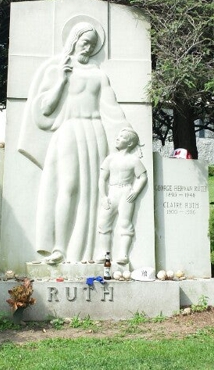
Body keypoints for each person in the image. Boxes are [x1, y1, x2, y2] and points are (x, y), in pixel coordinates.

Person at [18, 21, 129, 264]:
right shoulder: (57, 70)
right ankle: (59, 247)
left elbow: (111, 110)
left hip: (94, 133)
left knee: (94, 191)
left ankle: (92, 250)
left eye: (92, 45)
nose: (88, 49)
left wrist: (127, 133)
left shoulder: (100, 75)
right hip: (68, 131)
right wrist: (62, 80)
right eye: (84, 42)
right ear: (74, 41)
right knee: (67, 187)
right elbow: (46, 109)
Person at [96, 128, 147, 265]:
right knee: (103, 222)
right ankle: (105, 253)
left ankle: (123, 254)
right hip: (112, 192)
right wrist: (103, 196)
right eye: (118, 136)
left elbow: (142, 177)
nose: (118, 138)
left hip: (126, 192)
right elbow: (102, 178)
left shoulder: (134, 160)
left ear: (130, 143)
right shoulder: (110, 158)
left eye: (122, 137)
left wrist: (135, 191)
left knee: (125, 223)